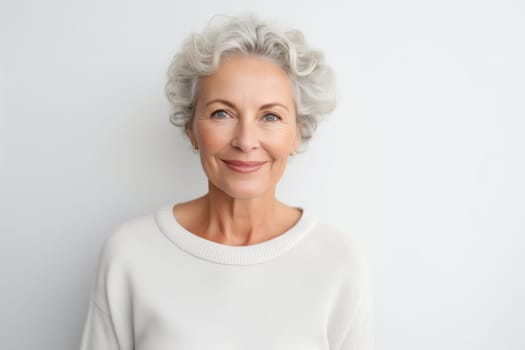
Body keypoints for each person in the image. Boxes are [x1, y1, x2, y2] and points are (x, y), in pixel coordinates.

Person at [79, 13, 374, 350]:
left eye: (271, 116)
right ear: (191, 128)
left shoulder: (338, 262)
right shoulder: (130, 253)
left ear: (298, 133)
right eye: (222, 113)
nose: (246, 140)